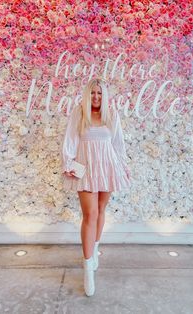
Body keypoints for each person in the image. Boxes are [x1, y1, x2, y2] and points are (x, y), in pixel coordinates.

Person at [61, 77, 131, 296]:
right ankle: (87, 266)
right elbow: (70, 140)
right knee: (89, 214)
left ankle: (95, 249)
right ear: (86, 94)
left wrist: (123, 165)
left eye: (99, 93)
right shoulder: (79, 113)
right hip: (85, 166)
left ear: (105, 95)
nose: (96, 97)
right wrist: (68, 162)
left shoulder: (112, 115)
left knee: (101, 210)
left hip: (108, 165)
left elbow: (118, 143)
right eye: (92, 93)